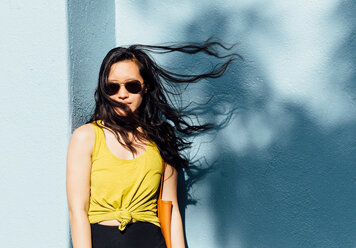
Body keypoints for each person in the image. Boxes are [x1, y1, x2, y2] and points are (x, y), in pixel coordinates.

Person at [66, 39, 240, 248]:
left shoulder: (162, 138)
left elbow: (171, 209)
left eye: (132, 86)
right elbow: (78, 211)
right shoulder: (86, 136)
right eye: (112, 87)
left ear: (145, 87)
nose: (122, 94)